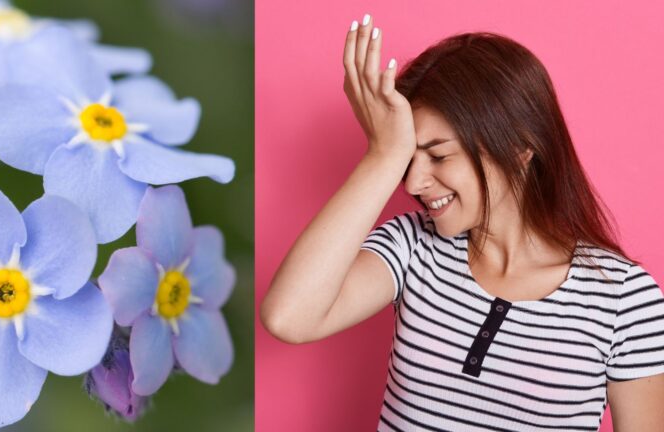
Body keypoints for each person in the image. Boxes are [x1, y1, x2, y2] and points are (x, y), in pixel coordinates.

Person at [260, 14, 664, 431]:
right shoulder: (411, 247)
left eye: (438, 156)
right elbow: (288, 317)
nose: (414, 181)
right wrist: (382, 156)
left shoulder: (624, 301)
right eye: (407, 158)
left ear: (520, 147)